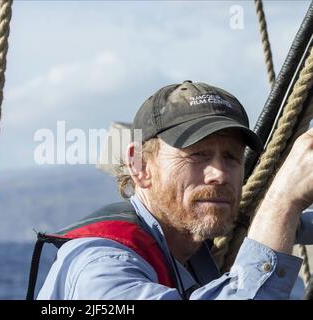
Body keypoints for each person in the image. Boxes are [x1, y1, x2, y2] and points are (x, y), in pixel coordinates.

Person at [35, 81, 313, 300]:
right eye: (198, 155)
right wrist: (281, 204)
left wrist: (282, 217)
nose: (218, 173)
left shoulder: (188, 236)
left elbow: (275, 226)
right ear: (140, 165)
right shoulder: (101, 270)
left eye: (231, 157)